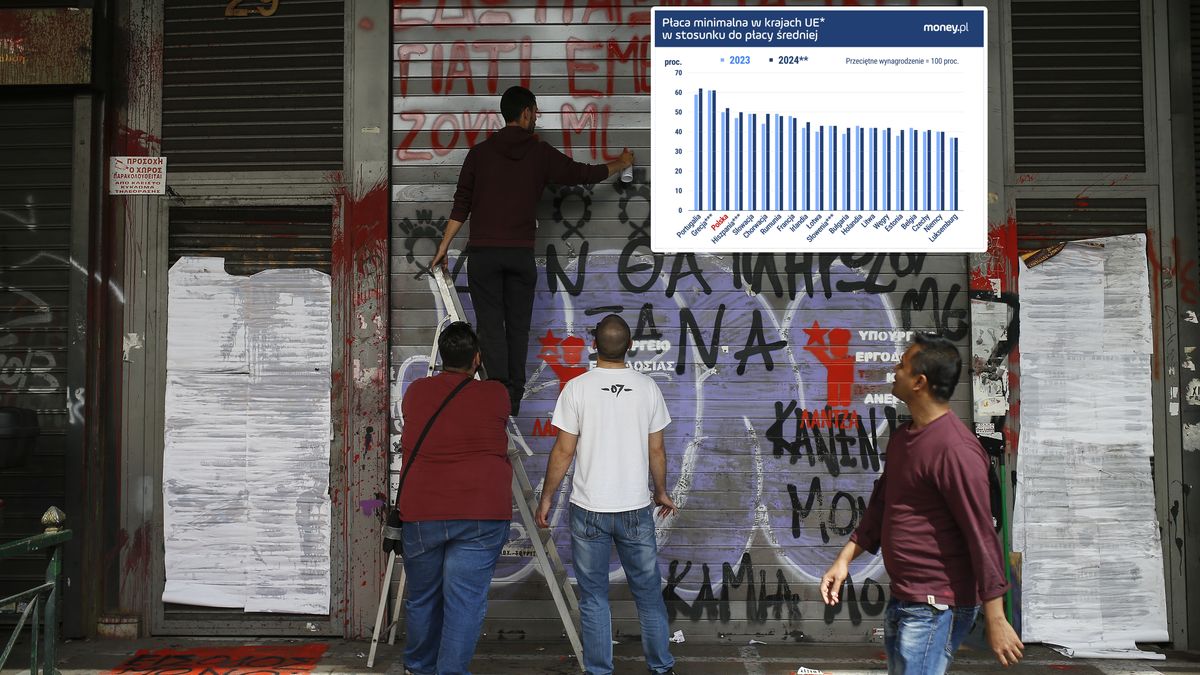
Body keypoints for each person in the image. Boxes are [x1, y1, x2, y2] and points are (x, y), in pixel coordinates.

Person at [819, 333, 1024, 674]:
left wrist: (996, 616)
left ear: (919, 382)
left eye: (901, 365)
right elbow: (882, 506)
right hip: (907, 598)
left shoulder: (955, 450)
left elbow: (981, 534)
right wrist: (844, 561)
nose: (894, 371)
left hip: (936, 606)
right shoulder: (904, 438)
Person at [430, 85, 634, 416]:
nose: (537, 117)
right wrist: (620, 162)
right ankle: (512, 396)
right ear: (525, 113)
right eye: (536, 111)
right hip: (518, 255)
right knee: (519, 326)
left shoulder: (479, 155)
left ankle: (497, 392)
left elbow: (461, 204)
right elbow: (582, 174)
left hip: (483, 255)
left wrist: (444, 246)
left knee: (491, 326)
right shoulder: (540, 154)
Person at [535, 314, 679, 675]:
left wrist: (547, 497)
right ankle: (662, 668)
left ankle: (599, 671)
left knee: (594, 597)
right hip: (635, 508)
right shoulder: (647, 388)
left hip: (589, 509)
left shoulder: (577, 388)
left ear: (593, 346)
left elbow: (564, 451)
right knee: (648, 595)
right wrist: (660, 491)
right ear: (630, 347)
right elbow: (657, 450)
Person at [397, 322, 512, 675]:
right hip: (481, 511)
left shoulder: (415, 392)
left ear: (442, 358)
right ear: (477, 359)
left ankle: (418, 667)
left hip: (422, 511)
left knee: (422, 598)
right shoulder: (496, 394)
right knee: (465, 602)